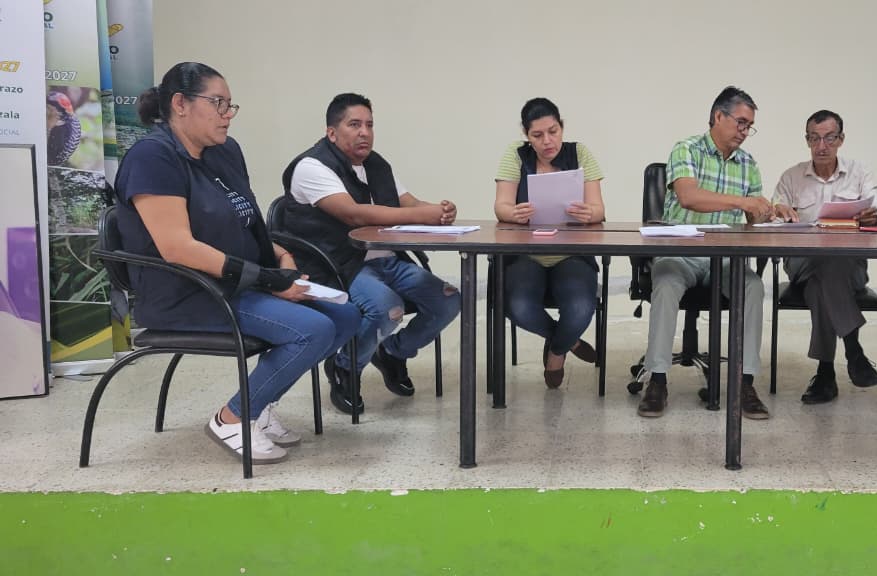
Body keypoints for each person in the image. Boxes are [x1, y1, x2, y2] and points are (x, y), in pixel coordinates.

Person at [114, 62, 360, 464]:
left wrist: (278, 256)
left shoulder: (225, 151)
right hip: (187, 291)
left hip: (237, 282)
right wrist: (268, 280)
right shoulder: (152, 158)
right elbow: (177, 248)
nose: (228, 114)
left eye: (230, 105)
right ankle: (233, 418)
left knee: (345, 315)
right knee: (312, 329)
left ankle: (260, 405)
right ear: (180, 104)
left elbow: (245, 220)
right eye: (218, 103)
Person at [281, 93, 461, 414]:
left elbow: (410, 204)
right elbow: (354, 215)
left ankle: (392, 353)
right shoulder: (311, 167)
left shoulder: (376, 164)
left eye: (369, 125)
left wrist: (441, 210)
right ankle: (345, 366)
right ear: (332, 132)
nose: (364, 132)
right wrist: (423, 214)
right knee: (387, 308)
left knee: (448, 299)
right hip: (340, 265)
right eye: (354, 125)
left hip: (387, 260)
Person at [636, 86, 775, 419]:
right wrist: (743, 202)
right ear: (718, 116)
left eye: (749, 126)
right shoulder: (687, 149)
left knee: (753, 286)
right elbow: (689, 197)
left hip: (725, 258)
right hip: (680, 252)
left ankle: (745, 382)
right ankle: (657, 380)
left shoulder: (748, 163)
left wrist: (768, 211)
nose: (745, 132)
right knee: (665, 283)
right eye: (741, 122)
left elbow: (752, 220)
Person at [771, 110, 877, 404]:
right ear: (807, 140)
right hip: (802, 263)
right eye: (814, 138)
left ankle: (825, 374)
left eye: (829, 138)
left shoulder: (860, 173)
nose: (821, 146)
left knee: (822, 281)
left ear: (841, 139)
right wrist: (779, 213)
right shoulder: (791, 177)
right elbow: (773, 219)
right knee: (823, 265)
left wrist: (874, 215)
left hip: (850, 266)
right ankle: (853, 351)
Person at [493, 97, 604, 389]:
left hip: (572, 252)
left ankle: (556, 352)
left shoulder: (579, 153)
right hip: (525, 253)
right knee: (517, 306)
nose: (547, 141)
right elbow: (501, 206)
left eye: (553, 131)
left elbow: (598, 210)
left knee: (580, 307)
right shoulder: (516, 155)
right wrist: (514, 214)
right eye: (537, 135)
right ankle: (568, 340)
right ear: (526, 136)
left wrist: (588, 213)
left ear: (562, 127)